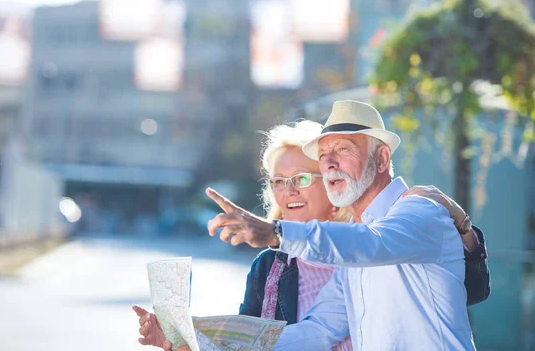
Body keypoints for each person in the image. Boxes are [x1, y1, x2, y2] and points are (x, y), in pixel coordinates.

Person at [134, 119, 489, 350]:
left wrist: (275, 233)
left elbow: (373, 245)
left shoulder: (417, 208)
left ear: (381, 159)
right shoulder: (348, 254)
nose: (330, 162)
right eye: (324, 155)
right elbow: (314, 334)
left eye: (343, 150)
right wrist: (189, 340)